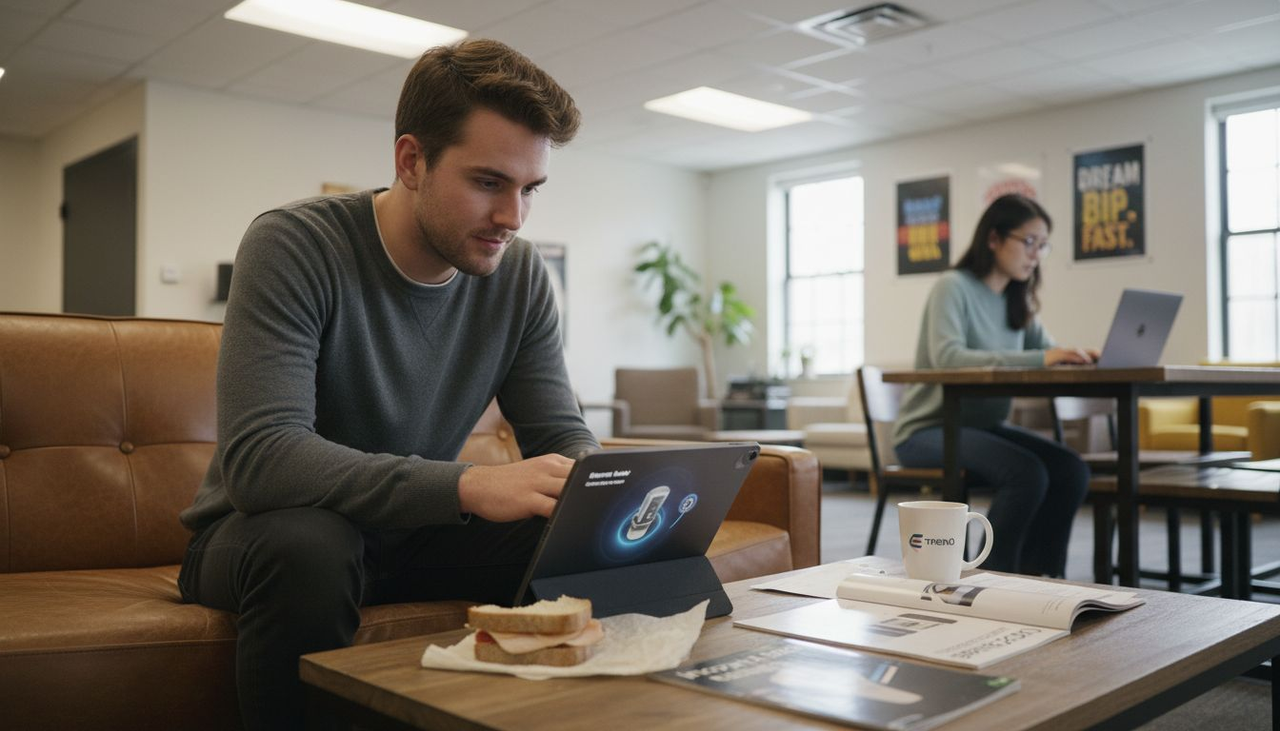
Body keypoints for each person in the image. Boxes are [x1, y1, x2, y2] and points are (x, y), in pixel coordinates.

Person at [176, 39, 599, 730]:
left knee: (563, 532)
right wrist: (466, 484)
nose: (514, 218)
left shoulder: (520, 278)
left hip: (408, 533)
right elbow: (263, 458)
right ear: (411, 160)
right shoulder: (294, 245)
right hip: (258, 534)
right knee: (312, 543)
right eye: (489, 182)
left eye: (529, 189)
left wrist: (613, 494)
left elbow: (561, 434)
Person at [892, 194, 1094, 578]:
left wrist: (1079, 354)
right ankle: (993, 578)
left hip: (981, 427)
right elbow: (948, 357)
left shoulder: (1015, 301)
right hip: (928, 430)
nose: (1036, 254)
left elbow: (1048, 350)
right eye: (1029, 241)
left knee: (1071, 469)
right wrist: (1042, 358)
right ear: (994, 239)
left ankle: (1042, 579)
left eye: (1043, 245)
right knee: (1027, 473)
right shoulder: (953, 287)